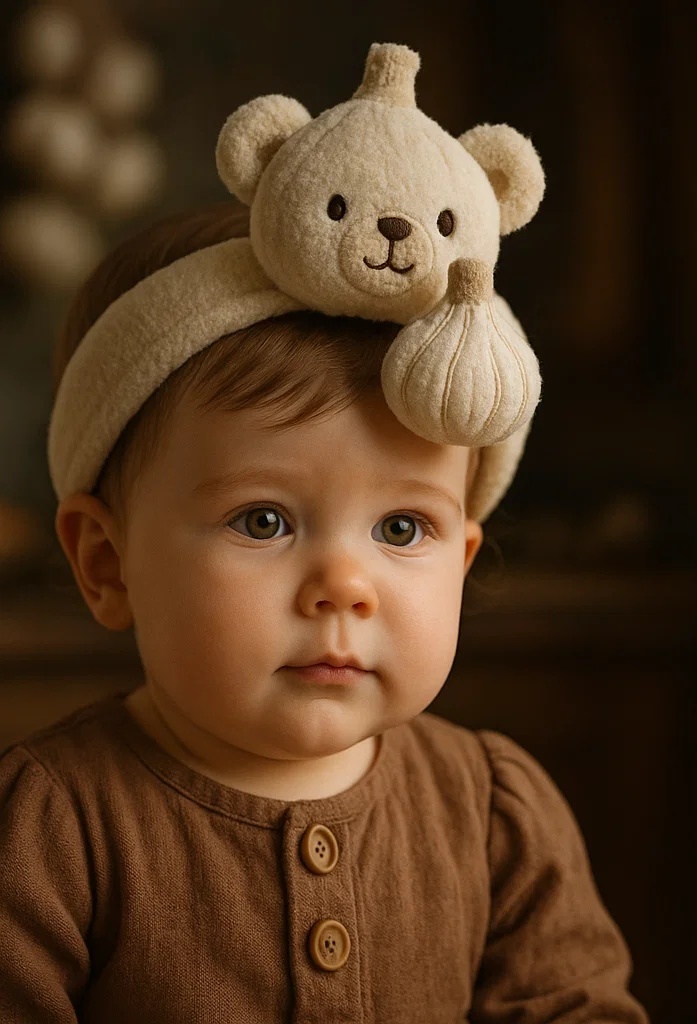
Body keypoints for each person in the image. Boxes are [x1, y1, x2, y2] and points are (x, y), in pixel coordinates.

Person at [0, 42, 649, 1024]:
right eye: (263, 519)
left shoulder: (496, 817)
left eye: (402, 525)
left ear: (463, 560)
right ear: (107, 559)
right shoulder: (50, 829)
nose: (343, 584)